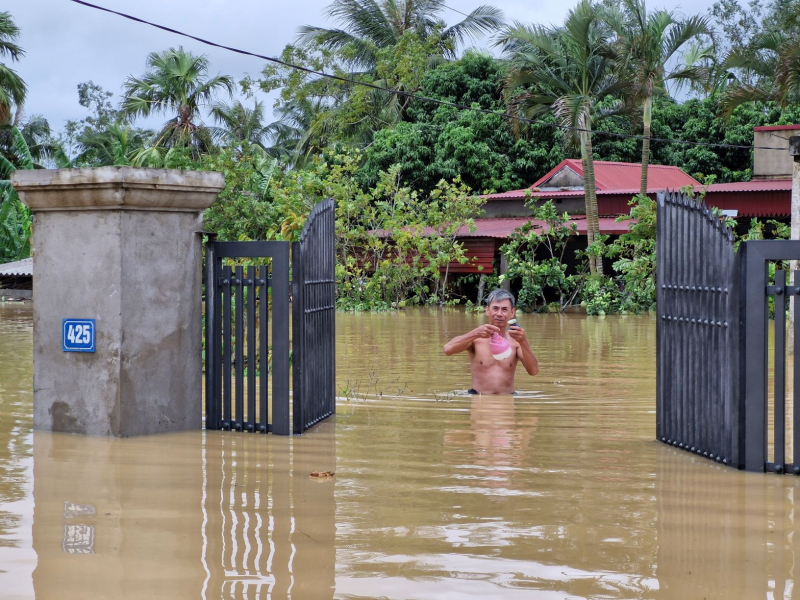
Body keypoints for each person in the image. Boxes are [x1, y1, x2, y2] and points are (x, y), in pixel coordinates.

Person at [443, 289, 539, 394]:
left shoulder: (516, 342)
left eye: (504, 309)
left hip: (506, 400)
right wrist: (475, 333)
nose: (499, 314)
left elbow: (533, 371)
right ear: (487, 310)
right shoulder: (476, 339)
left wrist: (524, 341)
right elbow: (448, 349)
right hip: (478, 399)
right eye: (495, 308)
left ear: (512, 312)